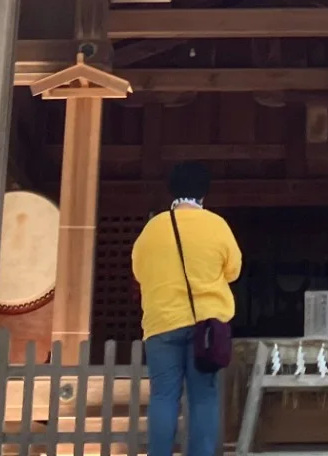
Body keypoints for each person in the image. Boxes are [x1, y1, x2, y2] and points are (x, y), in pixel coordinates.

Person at [130, 161, 241, 454]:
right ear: (204, 192)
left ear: (172, 190)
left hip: (161, 323)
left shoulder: (152, 229)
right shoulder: (217, 226)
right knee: (203, 398)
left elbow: (140, 272)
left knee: (163, 397)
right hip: (204, 325)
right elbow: (233, 270)